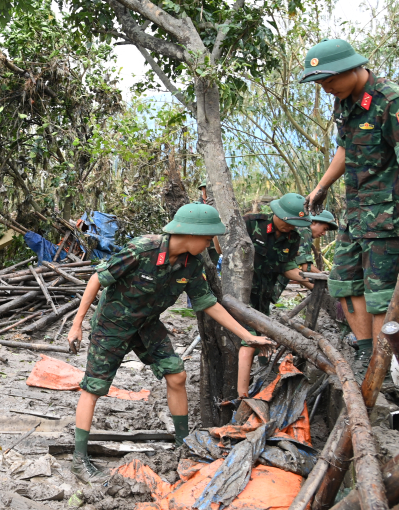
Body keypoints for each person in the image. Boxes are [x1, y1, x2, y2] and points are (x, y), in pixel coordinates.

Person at [65, 204, 275, 482]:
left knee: (177, 374)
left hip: (147, 324)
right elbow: (97, 279)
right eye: (207, 238)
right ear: (191, 234)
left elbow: (207, 302)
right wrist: (77, 323)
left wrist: (246, 335)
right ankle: (79, 460)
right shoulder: (143, 249)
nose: (210, 243)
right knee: (94, 387)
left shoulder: (192, 262)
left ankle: (182, 444)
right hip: (112, 324)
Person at [300, 39, 399, 379]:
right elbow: (346, 146)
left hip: (388, 217)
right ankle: (364, 353)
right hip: (356, 213)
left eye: (329, 80)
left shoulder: (393, 102)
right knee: (344, 283)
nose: (326, 88)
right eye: (320, 82)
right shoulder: (345, 103)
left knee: (380, 296)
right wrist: (322, 185)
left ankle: (381, 368)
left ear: (353, 68)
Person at [237, 193, 313, 396]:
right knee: (249, 337)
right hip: (242, 291)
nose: (291, 227)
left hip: (265, 291)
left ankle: (264, 371)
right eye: (289, 223)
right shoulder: (251, 223)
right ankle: (242, 394)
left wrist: (312, 283)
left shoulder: (293, 238)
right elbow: (224, 246)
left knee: (263, 330)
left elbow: (288, 266)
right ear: (277, 214)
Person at [293, 210, 338, 275]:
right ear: (313, 222)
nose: (324, 233)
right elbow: (306, 267)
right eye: (324, 229)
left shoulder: (299, 227)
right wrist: (321, 274)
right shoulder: (305, 231)